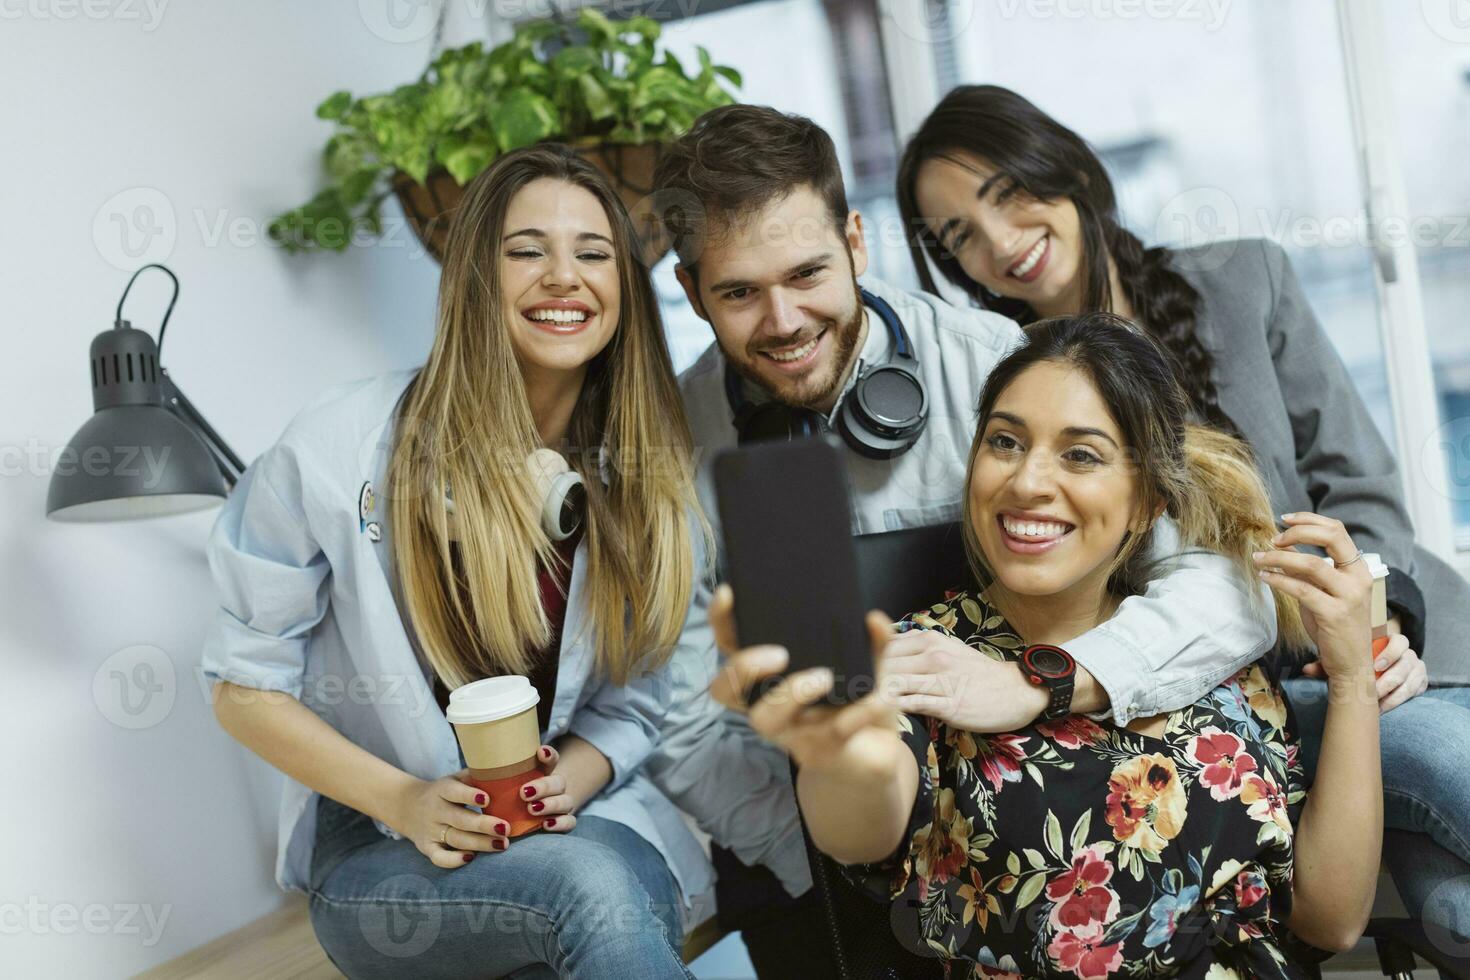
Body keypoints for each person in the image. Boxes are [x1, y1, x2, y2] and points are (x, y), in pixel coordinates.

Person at [642, 104, 1282, 977]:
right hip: (801, 836)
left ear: (857, 243)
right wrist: (842, 849)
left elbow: (1225, 591)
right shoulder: (668, 443)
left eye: (807, 273)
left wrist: (1043, 685)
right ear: (689, 292)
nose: (784, 320)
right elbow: (672, 707)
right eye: (739, 293)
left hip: (1024, 816)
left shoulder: (993, 361)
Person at [896, 83, 1470, 935]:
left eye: (1008, 196)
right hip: (1239, 700)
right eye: (960, 239)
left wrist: (1380, 637)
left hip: (1397, 657)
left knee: (1455, 912)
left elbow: (1362, 494)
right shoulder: (1014, 390)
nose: (1000, 245)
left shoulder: (1245, 278)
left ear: (1068, 171)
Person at [713, 313, 1386, 978]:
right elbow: (863, 822)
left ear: (1149, 500)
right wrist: (834, 755)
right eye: (1004, 442)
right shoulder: (926, 655)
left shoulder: (1204, 638)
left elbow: (1329, 919)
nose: (1027, 481)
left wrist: (1353, 674)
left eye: (1081, 455)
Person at [201, 145, 711, 979]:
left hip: (568, 835)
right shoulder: (340, 446)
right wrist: (403, 798)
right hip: (380, 846)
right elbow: (243, 689)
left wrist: (568, 784)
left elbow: (634, 708)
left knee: (613, 891)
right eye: (525, 251)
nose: (563, 276)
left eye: (593, 252)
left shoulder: (643, 479)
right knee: (597, 892)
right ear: (475, 274)